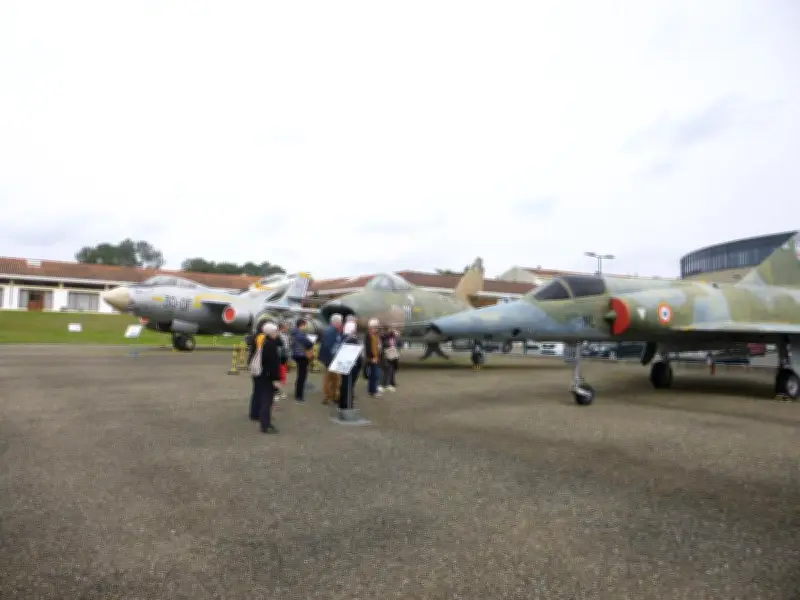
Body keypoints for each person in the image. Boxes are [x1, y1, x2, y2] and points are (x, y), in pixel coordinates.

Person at [250, 322, 281, 433]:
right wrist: (276, 379)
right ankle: (265, 425)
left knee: (258, 394)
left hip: (258, 372)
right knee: (266, 400)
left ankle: (255, 414)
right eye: (276, 331)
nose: (277, 333)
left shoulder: (262, 341)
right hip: (266, 375)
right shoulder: (271, 345)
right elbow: (273, 364)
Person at [318, 313, 344, 405]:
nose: (341, 323)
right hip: (332, 359)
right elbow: (329, 346)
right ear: (336, 322)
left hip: (329, 359)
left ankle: (329, 396)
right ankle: (331, 396)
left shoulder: (330, 330)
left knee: (330, 378)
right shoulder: (332, 331)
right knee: (334, 379)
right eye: (340, 321)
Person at [338, 321, 363, 410]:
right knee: (348, 386)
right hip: (352, 367)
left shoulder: (342, 338)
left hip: (344, 366)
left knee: (344, 385)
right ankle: (347, 405)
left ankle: (342, 403)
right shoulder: (352, 340)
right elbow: (357, 355)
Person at [290, 318, 315, 403]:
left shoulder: (294, 333)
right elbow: (309, 343)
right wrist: (310, 340)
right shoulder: (299, 334)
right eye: (305, 325)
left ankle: (298, 393)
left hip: (297, 355)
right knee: (302, 376)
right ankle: (299, 396)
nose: (306, 326)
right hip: (302, 356)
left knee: (300, 375)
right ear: (301, 325)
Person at [364, 318, 383, 398]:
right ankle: (373, 391)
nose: (377, 328)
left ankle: (372, 390)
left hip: (377, 357)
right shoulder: (368, 335)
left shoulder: (376, 335)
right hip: (372, 358)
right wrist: (372, 358)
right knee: (374, 375)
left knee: (374, 375)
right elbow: (368, 348)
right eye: (376, 327)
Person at [381, 327, 401, 391]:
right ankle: (385, 383)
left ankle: (392, 382)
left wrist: (397, 336)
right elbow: (384, 341)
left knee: (393, 369)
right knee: (387, 369)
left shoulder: (394, 337)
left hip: (394, 355)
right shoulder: (385, 337)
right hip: (387, 355)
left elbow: (399, 344)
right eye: (390, 329)